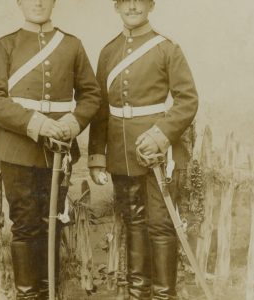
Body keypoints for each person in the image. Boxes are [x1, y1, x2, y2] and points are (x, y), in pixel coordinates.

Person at [0, 0, 101, 299]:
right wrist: (35, 122)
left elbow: (91, 95)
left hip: (58, 149)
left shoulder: (72, 45)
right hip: (16, 148)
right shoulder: (4, 45)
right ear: (19, 3)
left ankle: (51, 294)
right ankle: (27, 296)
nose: (38, 2)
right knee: (24, 225)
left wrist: (73, 123)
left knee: (52, 224)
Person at [88, 0, 199, 299]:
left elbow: (188, 100)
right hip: (122, 152)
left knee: (161, 225)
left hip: (158, 153)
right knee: (134, 222)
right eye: (126, 1)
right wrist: (97, 157)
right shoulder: (108, 51)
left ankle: (164, 296)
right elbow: (100, 109)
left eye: (140, 1)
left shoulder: (166, 48)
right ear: (117, 7)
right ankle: (139, 295)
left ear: (151, 6)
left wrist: (162, 135)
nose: (133, 6)